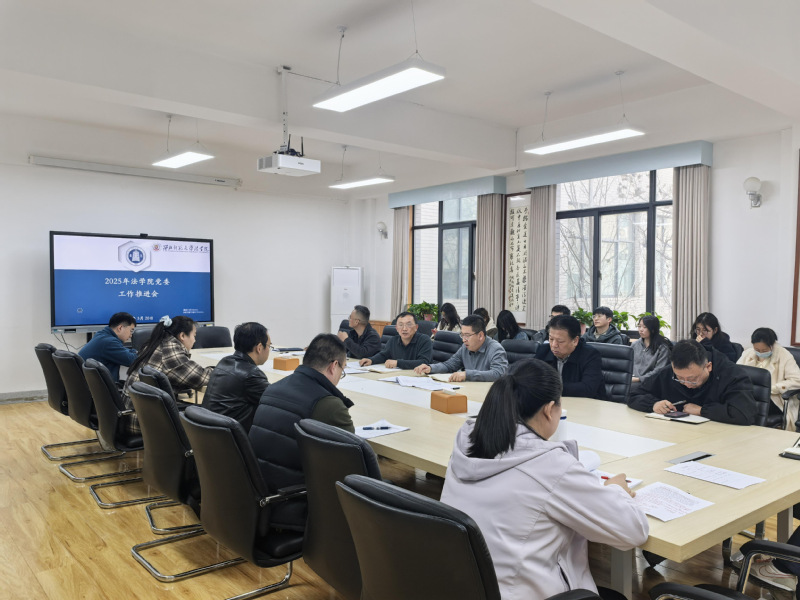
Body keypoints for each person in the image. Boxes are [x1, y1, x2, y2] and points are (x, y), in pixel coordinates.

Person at [440, 358, 648, 600]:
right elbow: (633, 531)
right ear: (549, 410)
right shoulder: (551, 466)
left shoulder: (467, 440)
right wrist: (616, 490)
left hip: (464, 588)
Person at [249, 333, 354, 531]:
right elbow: (350, 467)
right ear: (334, 366)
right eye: (343, 370)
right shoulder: (328, 405)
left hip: (258, 493)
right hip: (294, 502)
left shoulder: (273, 389)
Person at [627, 339, 756, 425]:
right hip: (676, 434)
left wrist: (702, 411)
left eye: (692, 379)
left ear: (708, 366)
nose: (687, 384)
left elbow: (744, 414)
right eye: (680, 378)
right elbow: (634, 395)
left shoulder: (732, 374)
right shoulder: (668, 372)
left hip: (720, 439)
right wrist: (653, 404)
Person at [122, 315, 214, 434]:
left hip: (134, 415)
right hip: (146, 423)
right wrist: (218, 369)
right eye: (194, 335)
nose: (195, 340)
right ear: (182, 336)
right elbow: (202, 378)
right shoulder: (170, 350)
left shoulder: (157, 343)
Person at [201, 322, 271, 431]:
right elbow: (275, 400)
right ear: (259, 347)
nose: (269, 349)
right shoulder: (251, 374)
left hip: (210, 432)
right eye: (269, 346)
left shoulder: (224, 362)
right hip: (231, 436)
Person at [738, 328, 800, 430]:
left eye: (764, 350)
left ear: (772, 345)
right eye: (757, 350)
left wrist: (775, 388)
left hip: (774, 398)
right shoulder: (748, 354)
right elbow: (736, 373)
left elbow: (797, 380)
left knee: (748, 407)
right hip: (750, 395)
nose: (760, 353)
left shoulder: (784, 355)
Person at [414, 315, 508, 382]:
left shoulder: (496, 349)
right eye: (462, 335)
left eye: (467, 335)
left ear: (480, 335)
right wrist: (430, 368)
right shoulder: (465, 347)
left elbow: (498, 374)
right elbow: (450, 365)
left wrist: (467, 374)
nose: (463, 340)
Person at [535, 315, 605, 399]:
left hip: (585, 404)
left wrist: (549, 388)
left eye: (560, 341)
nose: (554, 345)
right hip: (552, 402)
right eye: (551, 339)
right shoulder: (543, 351)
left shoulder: (590, 355)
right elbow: (531, 379)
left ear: (575, 341)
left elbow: (588, 388)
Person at [360, 311, 432, 369]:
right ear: (396, 328)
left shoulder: (424, 340)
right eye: (401, 325)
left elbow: (424, 362)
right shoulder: (393, 340)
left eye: (409, 325)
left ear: (416, 327)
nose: (404, 329)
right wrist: (371, 360)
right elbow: (383, 355)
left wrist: (398, 363)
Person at [78, 312, 138, 381]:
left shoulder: (102, 335)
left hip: (89, 383)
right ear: (120, 328)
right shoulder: (109, 342)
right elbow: (132, 361)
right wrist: (140, 353)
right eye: (131, 330)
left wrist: (134, 352)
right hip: (99, 385)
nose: (131, 335)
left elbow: (123, 350)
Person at [631, 315, 671, 386]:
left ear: (653, 329)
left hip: (650, 383)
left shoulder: (662, 348)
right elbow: (627, 364)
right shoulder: (635, 345)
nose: (641, 329)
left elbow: (659, 371)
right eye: (639, 326)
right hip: (632, 380)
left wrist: (639, 379)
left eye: (645, 327)